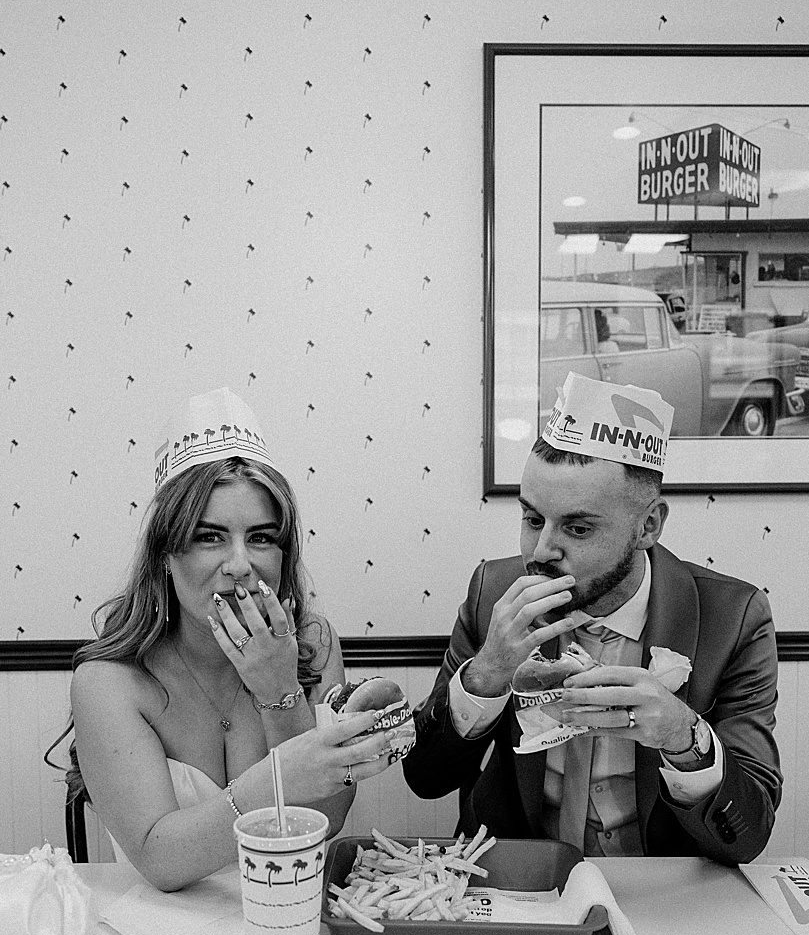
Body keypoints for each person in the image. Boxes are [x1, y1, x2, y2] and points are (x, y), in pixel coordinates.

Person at [403, 373, 781, 864]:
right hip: (522, 887)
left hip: (663, 900)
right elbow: (425, 779)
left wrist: (683, 739)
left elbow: (749, 836)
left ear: (648, 526)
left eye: (577, 528)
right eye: (533, 519)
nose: (540, 552)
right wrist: (486, 673)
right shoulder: (493, 594)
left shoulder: (733, 620)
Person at [54, 388, 394, 891]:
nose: (240, 565)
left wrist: (280, 693)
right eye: (210, 536)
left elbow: (328, 820)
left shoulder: (314, 644)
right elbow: (160, 858)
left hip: (292, 920)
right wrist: (280, 776)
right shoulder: (107, 683)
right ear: (166, 555)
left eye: (261, 537)